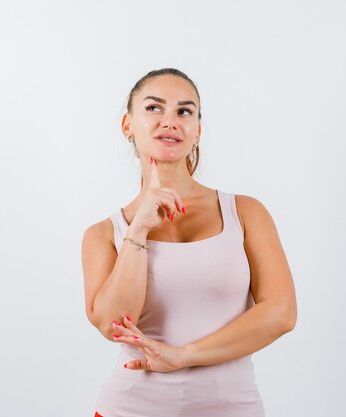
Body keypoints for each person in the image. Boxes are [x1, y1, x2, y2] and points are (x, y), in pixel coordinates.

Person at [81, 68, 297, 417]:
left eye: (184, 111)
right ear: (127, 125)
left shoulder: (245, 212)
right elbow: (113, 324)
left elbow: (281, 314)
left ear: (196, 131)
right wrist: (139, 231)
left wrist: (184, 356)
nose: (170, 121)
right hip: (130, 408)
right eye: (153, 108)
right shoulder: (104, 234)